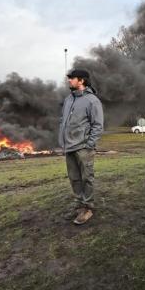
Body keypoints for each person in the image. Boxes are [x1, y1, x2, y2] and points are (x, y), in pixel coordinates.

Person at [59, 69, 104, 225]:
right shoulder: (68, 99)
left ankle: (88, 208)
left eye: (72, 78)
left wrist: (89, 144)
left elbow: (98, 125)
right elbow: (63, 121)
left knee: (87, 178)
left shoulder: (92, 101)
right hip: (69, 147)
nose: (69, 81)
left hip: (83, 148)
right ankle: (79, 205)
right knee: (75, 179)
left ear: (82, 81)